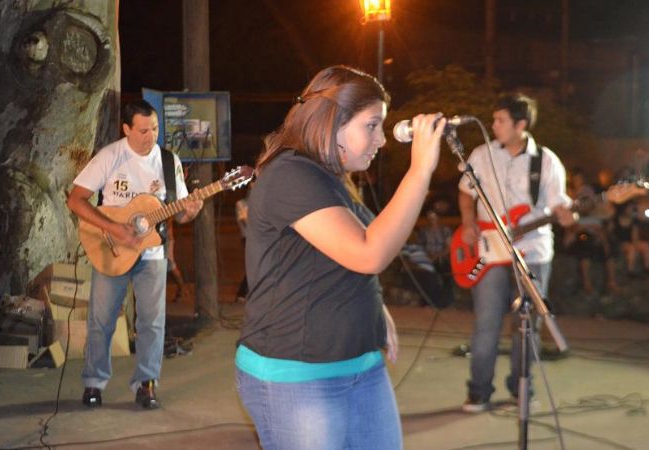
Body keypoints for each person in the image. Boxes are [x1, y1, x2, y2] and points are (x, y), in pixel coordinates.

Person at [235, 65, 445, 449]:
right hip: (297, 376)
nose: (381, 139)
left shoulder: (331, 178)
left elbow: (336, 257)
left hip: (361, 368)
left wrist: (373, 307)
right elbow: (368, 253)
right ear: (332, 122)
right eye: (372, 125)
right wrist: (420, 170)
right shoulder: (290, 175)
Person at [66, 99, 203, 410]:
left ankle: (146, 383)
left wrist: (190, 211)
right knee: (101, 320)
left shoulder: (169, 162)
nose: (150, 136)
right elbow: (76, 200)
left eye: (154, 129)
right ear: (126, 129)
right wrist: (115, 229)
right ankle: (93, 383)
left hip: (152, 253)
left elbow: (178, 215)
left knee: (152, 322)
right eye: (142, 130)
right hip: (110, 250)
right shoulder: (109, 157)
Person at [457, 93, 575, 412]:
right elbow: (466, 194)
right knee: (487, 322)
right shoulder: (482, 154)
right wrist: (468, 224)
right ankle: (478, 390)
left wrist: (567, 215)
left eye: (500, 120)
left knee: (527, 325)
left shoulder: (546, 160)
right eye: (494, 119)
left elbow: (558, 203)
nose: (493, 125)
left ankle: (521, 387)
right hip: (489, 250)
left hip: (532, 251)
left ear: (520, 125)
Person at [563, 168, 618, 294]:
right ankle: (587, 284)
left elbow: (607, 212)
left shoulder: (594, 202)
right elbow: (571, 225)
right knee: (585, 248)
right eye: (576, 180)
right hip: (583, 234)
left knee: (607, 248)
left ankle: (611, 282)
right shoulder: (570, 198)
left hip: (596, 232)